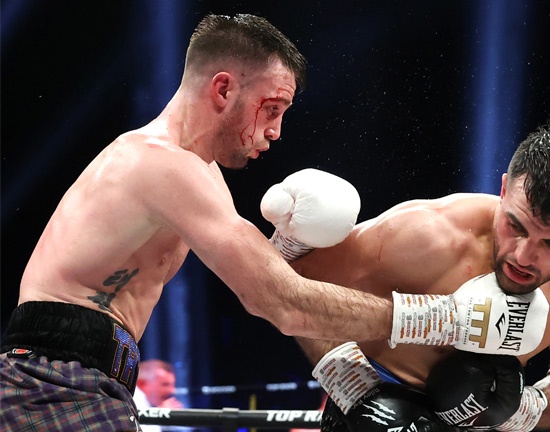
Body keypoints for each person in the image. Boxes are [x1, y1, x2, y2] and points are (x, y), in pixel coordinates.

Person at [0, 13, 442, 431]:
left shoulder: (201, 175)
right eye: (272, 108)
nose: (276, 131)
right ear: (224, 88)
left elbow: (272, 283)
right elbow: (280, 300)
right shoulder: (160, 164)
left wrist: (287, 248)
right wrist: (440, 318)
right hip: (49, 381)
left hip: (81, 382)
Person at [290, 125, 550, 431]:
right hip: (373, 404)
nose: (523, 256)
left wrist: (517, 410)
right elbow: (296, 284)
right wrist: (359, 392)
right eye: (516, 226)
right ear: (504, 190)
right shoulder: (425, 234)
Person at [133, 359, 184, 432]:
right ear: (142, 384)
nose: (172, 390)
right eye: (165, 384)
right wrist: (161, 415)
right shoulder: (135, 398)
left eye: (172, 385)